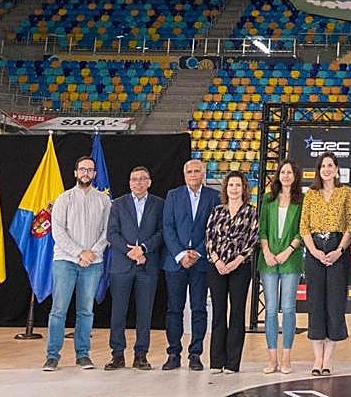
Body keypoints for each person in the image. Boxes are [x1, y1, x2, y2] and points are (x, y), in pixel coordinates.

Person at [43, 155, 112, 372]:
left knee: (85, 311)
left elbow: (107, 231)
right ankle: (52, 356)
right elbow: (58, 232)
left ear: (94, 174)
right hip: (65, 260)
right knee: (59, 310)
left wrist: (92, 253)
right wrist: (79, 253)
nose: (86, 173)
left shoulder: (103, 200)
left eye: (90, 170)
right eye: (82, 169)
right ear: (75, 173)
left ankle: (83, 355)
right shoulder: (63, 199)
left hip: (93, 262)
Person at [161, 157, 219, 371]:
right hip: (176, 263)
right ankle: (173, 353)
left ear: (204, 174)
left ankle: (195, 354)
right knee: (174, 310)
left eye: (197, 171)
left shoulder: (213, 197)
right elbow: (167, 227)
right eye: (190, 172)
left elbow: (214, 229)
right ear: (184, 175)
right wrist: (180, 254)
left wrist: (197, 253)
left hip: (201, 262)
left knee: (199, 309)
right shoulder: (173, 195)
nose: (193, 175)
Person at [300, 152, 351, 376]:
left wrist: (338, 251)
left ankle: (328, 360)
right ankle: (316, 359)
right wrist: (313, 251)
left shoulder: (346, 193)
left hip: (337, 249)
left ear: (337, 168)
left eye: (330, 165)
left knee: (335, 305)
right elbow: (303, 226)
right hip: (314, 250)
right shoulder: (311, 194)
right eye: (323, 166)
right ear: (318, 170)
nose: (327, 169)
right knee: (316, 305)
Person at [105, 165, 163, 371]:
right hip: (122, 265)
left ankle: (141, 355)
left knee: (144, 313)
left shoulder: (159, 204)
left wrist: (143, 250)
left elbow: (162, 232)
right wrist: (130, 252)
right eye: (134, 179)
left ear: (149, 182)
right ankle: (117, 355)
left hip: (147, 266)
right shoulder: (118, 204)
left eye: (142, 179)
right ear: (129, 183)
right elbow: (112, 233)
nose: (137, 182)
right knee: (118, 312)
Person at [205, 171, 258, 374]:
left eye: (238, 185)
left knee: (237, 313)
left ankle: (232, 363)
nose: (234, 189)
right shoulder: (217, 211)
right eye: (231, 185)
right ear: (225, 189)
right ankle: (216, 362)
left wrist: (237, 261)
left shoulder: (251, 212)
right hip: (216, 267)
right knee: (218, 313)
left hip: (240, 268)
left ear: (244, 189)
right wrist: (217, 261)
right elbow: (209, 238)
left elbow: (252, 240)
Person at [258, 159, 304, 375]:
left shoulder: (301, 200)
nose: (285, 175)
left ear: (296, 176)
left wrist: (287, 251)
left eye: (290, 172)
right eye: (283, 172)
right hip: (268, 261)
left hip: (291, 260)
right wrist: (267, 252)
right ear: (278, 175)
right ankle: (272, 359)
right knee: (270, 310)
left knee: (288, 308)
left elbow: (302, 230)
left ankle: (286, 358)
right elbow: (262, 228)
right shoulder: (268, 198)